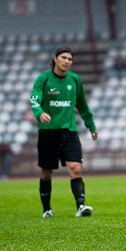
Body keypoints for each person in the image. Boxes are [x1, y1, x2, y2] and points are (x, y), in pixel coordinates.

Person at [30, 46, 98, 218]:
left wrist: (91, 125)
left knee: (76, 168)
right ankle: (47, 209)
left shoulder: (75, 80)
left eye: (70, 59)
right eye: (64, 58)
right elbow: (34, 101)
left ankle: (80, 206)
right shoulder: (43, 79)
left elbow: (82, 105)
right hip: (48, 133)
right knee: (47, 173)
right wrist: (40, 114)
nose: (67, 61)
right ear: (55, 59)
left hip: (69, 132)